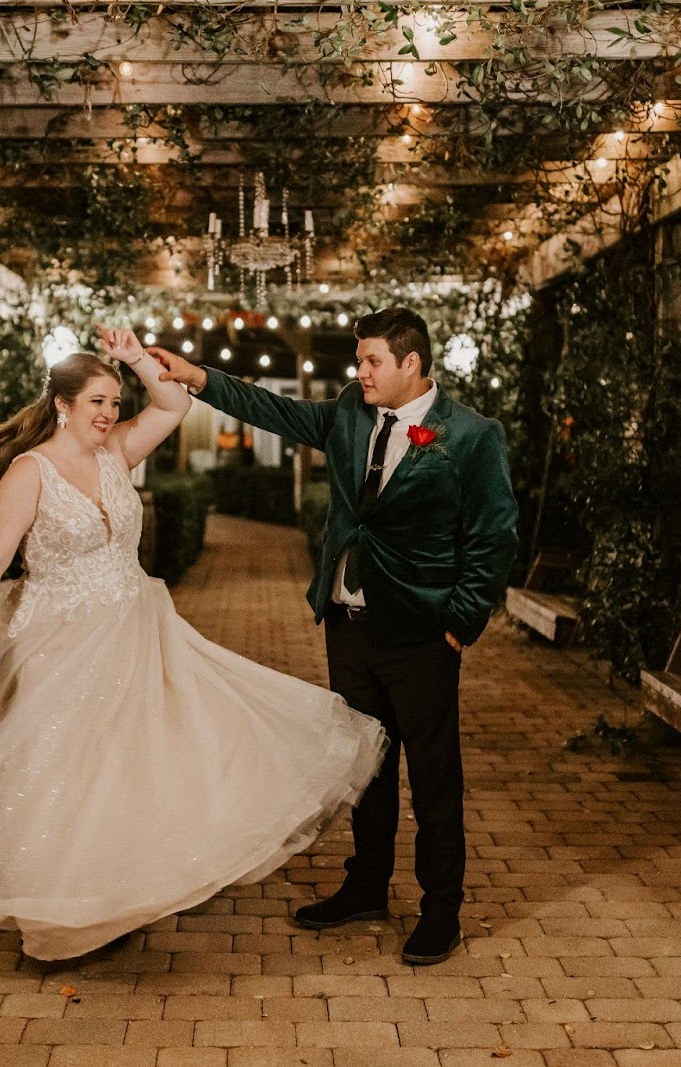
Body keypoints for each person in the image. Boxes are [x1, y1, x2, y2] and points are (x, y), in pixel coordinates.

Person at [0, 326, 386, 961]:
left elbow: (176, 403)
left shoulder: (116, 453)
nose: (108, 414)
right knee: (60, 775)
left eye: (114, 402)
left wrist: (133, 359)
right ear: (62, 405)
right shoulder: (29, 474)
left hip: (133, 631)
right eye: (96, 401)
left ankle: (110, 897)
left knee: (124, 768)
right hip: (56, 641)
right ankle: (57, 915)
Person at [151, 307, 518, 965]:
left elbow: (494, 535)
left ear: (412, 362)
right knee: (365, 767)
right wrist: (197, 376)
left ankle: (441, 909)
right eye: (359, 361)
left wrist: (460, 623)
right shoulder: (351, 411)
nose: (361, 371)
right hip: (348, 626)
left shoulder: (471, 436)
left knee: (433, 777)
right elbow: (272, 410)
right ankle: (366, 885)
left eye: (373, 360)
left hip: (424, 634)